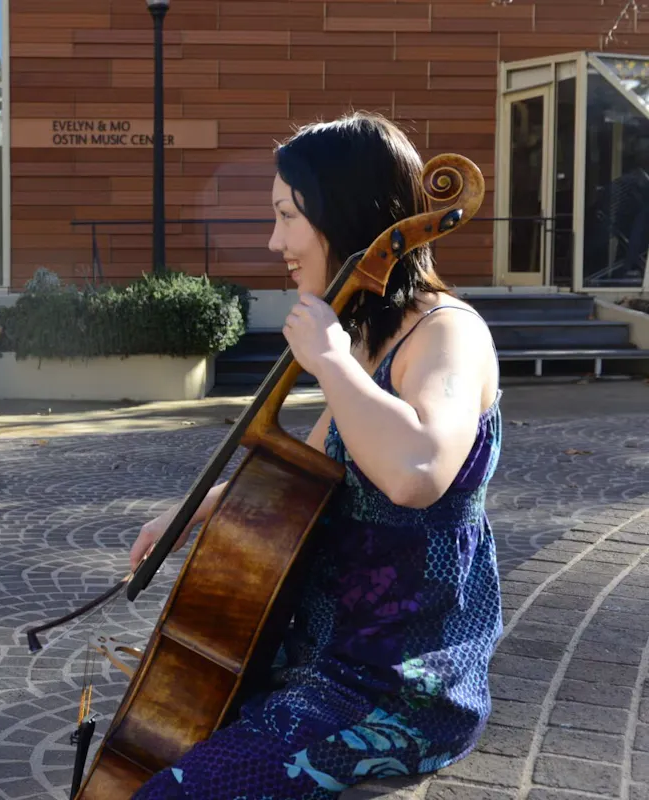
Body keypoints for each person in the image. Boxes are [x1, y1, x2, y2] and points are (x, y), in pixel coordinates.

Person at [127, 111, 503, 799]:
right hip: (319, 656)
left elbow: (416, 474)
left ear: (346, 214)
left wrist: (330, 360)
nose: (276, 242)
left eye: (287, 217)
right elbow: (306, 478)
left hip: (400, 689)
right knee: (156, 740)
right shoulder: (369, 341)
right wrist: (192, 513)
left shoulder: (449, 335)